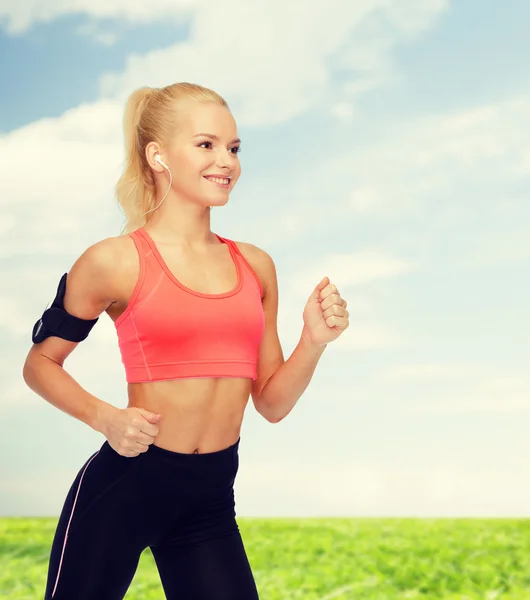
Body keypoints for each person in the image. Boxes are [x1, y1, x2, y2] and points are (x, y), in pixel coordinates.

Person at [22, 81, 350, 600]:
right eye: (207, 145)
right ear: (157, 155)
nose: (227, 161)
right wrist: (106, 418)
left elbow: (271, 403)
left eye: (234, 148)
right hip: (124, 490)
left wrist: (314, 341)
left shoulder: (255, 266)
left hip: (209, 502)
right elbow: (40, 364)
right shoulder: (113, 261)